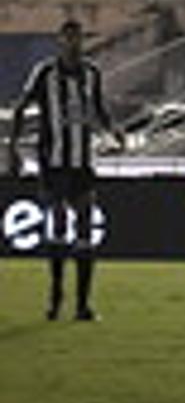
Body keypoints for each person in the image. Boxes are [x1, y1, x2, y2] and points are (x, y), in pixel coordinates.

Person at [6, 20, 121, 321]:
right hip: (54, 162)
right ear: (60, 41)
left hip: (82, 161)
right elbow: (21, 108)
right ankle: (56, 296)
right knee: (58, 220)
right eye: (68, 38)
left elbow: (99, 109)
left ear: (82, 41)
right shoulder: (45, 73)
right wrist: (13, 150)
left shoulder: (92, 73)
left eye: (77, 38)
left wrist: (112, 130)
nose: (73, 43)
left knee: (84, 225)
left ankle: (83, 305)